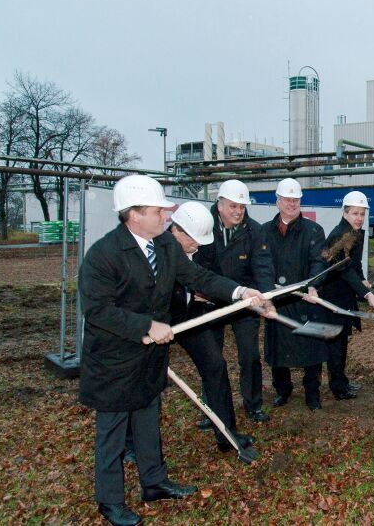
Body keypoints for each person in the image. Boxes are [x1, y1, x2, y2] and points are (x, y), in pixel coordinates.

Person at [79, 175, 271, 526]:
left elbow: (199, 278)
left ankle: (154, 482)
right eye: (158, 212)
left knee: (148, 420)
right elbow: (97, 310)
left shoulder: (165, 247)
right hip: (115, 360)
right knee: (113, 433)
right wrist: (146, 326)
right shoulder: (104, 255)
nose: (166, 218)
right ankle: (110, 503)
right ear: (134, 215)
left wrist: (241, 291)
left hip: (151, 357)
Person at [168, 202, 257, 452]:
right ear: (176, 230)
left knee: (215, 366)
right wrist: (185, 294)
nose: (198, 245)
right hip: (159, 322)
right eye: (194, 240)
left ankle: (227, 435)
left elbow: (205, 277)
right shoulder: (161, 248)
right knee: (148, 381)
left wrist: (239, 292)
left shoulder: (197, 246)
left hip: (190, 318)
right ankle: (131, 444)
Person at [196, 179, 275, 424]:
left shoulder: (254, 230)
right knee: (211, 357)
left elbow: (262, 266)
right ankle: (212, 409)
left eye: (241, 206)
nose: (238, 211)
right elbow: (197, 265)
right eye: (232, 206)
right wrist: (199, 291)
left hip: (245, 301)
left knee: (249, 355)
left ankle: (253, 404)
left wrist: (267, 297)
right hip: (211, 299)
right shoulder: (204, 226)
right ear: (219, 204)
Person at [261, 178, 329, 410]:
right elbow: (261, 265)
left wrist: (313, 285)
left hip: (305, 301)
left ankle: (313, 393)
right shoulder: (264, 232)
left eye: (296, 200)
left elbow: (318, 261)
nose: (292, 204)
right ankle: (283, 389)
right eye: (288, 199)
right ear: (278, 201)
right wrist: (266, 291)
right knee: (279, 350)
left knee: (311, 350)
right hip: (277, 302)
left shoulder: (313, 230)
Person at [321, 191, 374, 400]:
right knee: (336, 342)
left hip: (344, 295)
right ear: (345, 213)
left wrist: (363, 279)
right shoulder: (340, 235)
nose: (359, 218)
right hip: (334, 296)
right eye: (355, 213)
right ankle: (338, 387)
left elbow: (354, 265)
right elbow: (344, 269)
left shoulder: (355, 233)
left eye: (362, 214)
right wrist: (367, 294)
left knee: (343, 340)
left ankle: (341, 381)